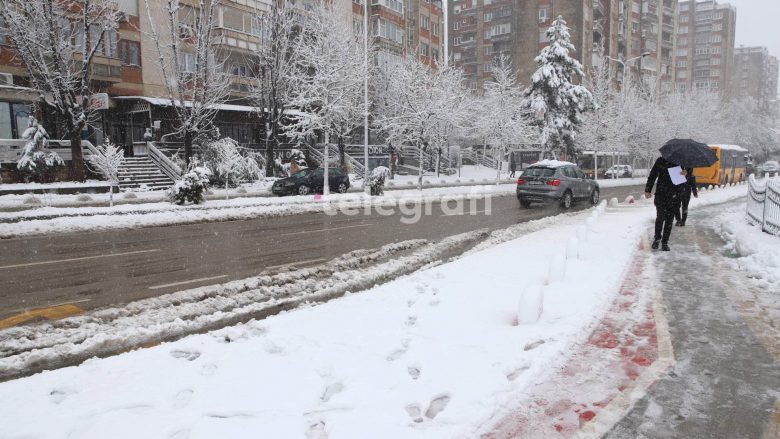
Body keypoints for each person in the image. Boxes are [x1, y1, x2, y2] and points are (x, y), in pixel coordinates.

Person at [645, 156, 684, 251]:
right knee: (660, 218)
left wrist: (684, 175)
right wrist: (648, 190)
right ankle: (657, 239)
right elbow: (653, 174)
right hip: (661, 195)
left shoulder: (679, 162)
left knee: (669, 220)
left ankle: (665, 242)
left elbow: (681, 183)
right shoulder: (660, 160)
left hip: (673, 196)